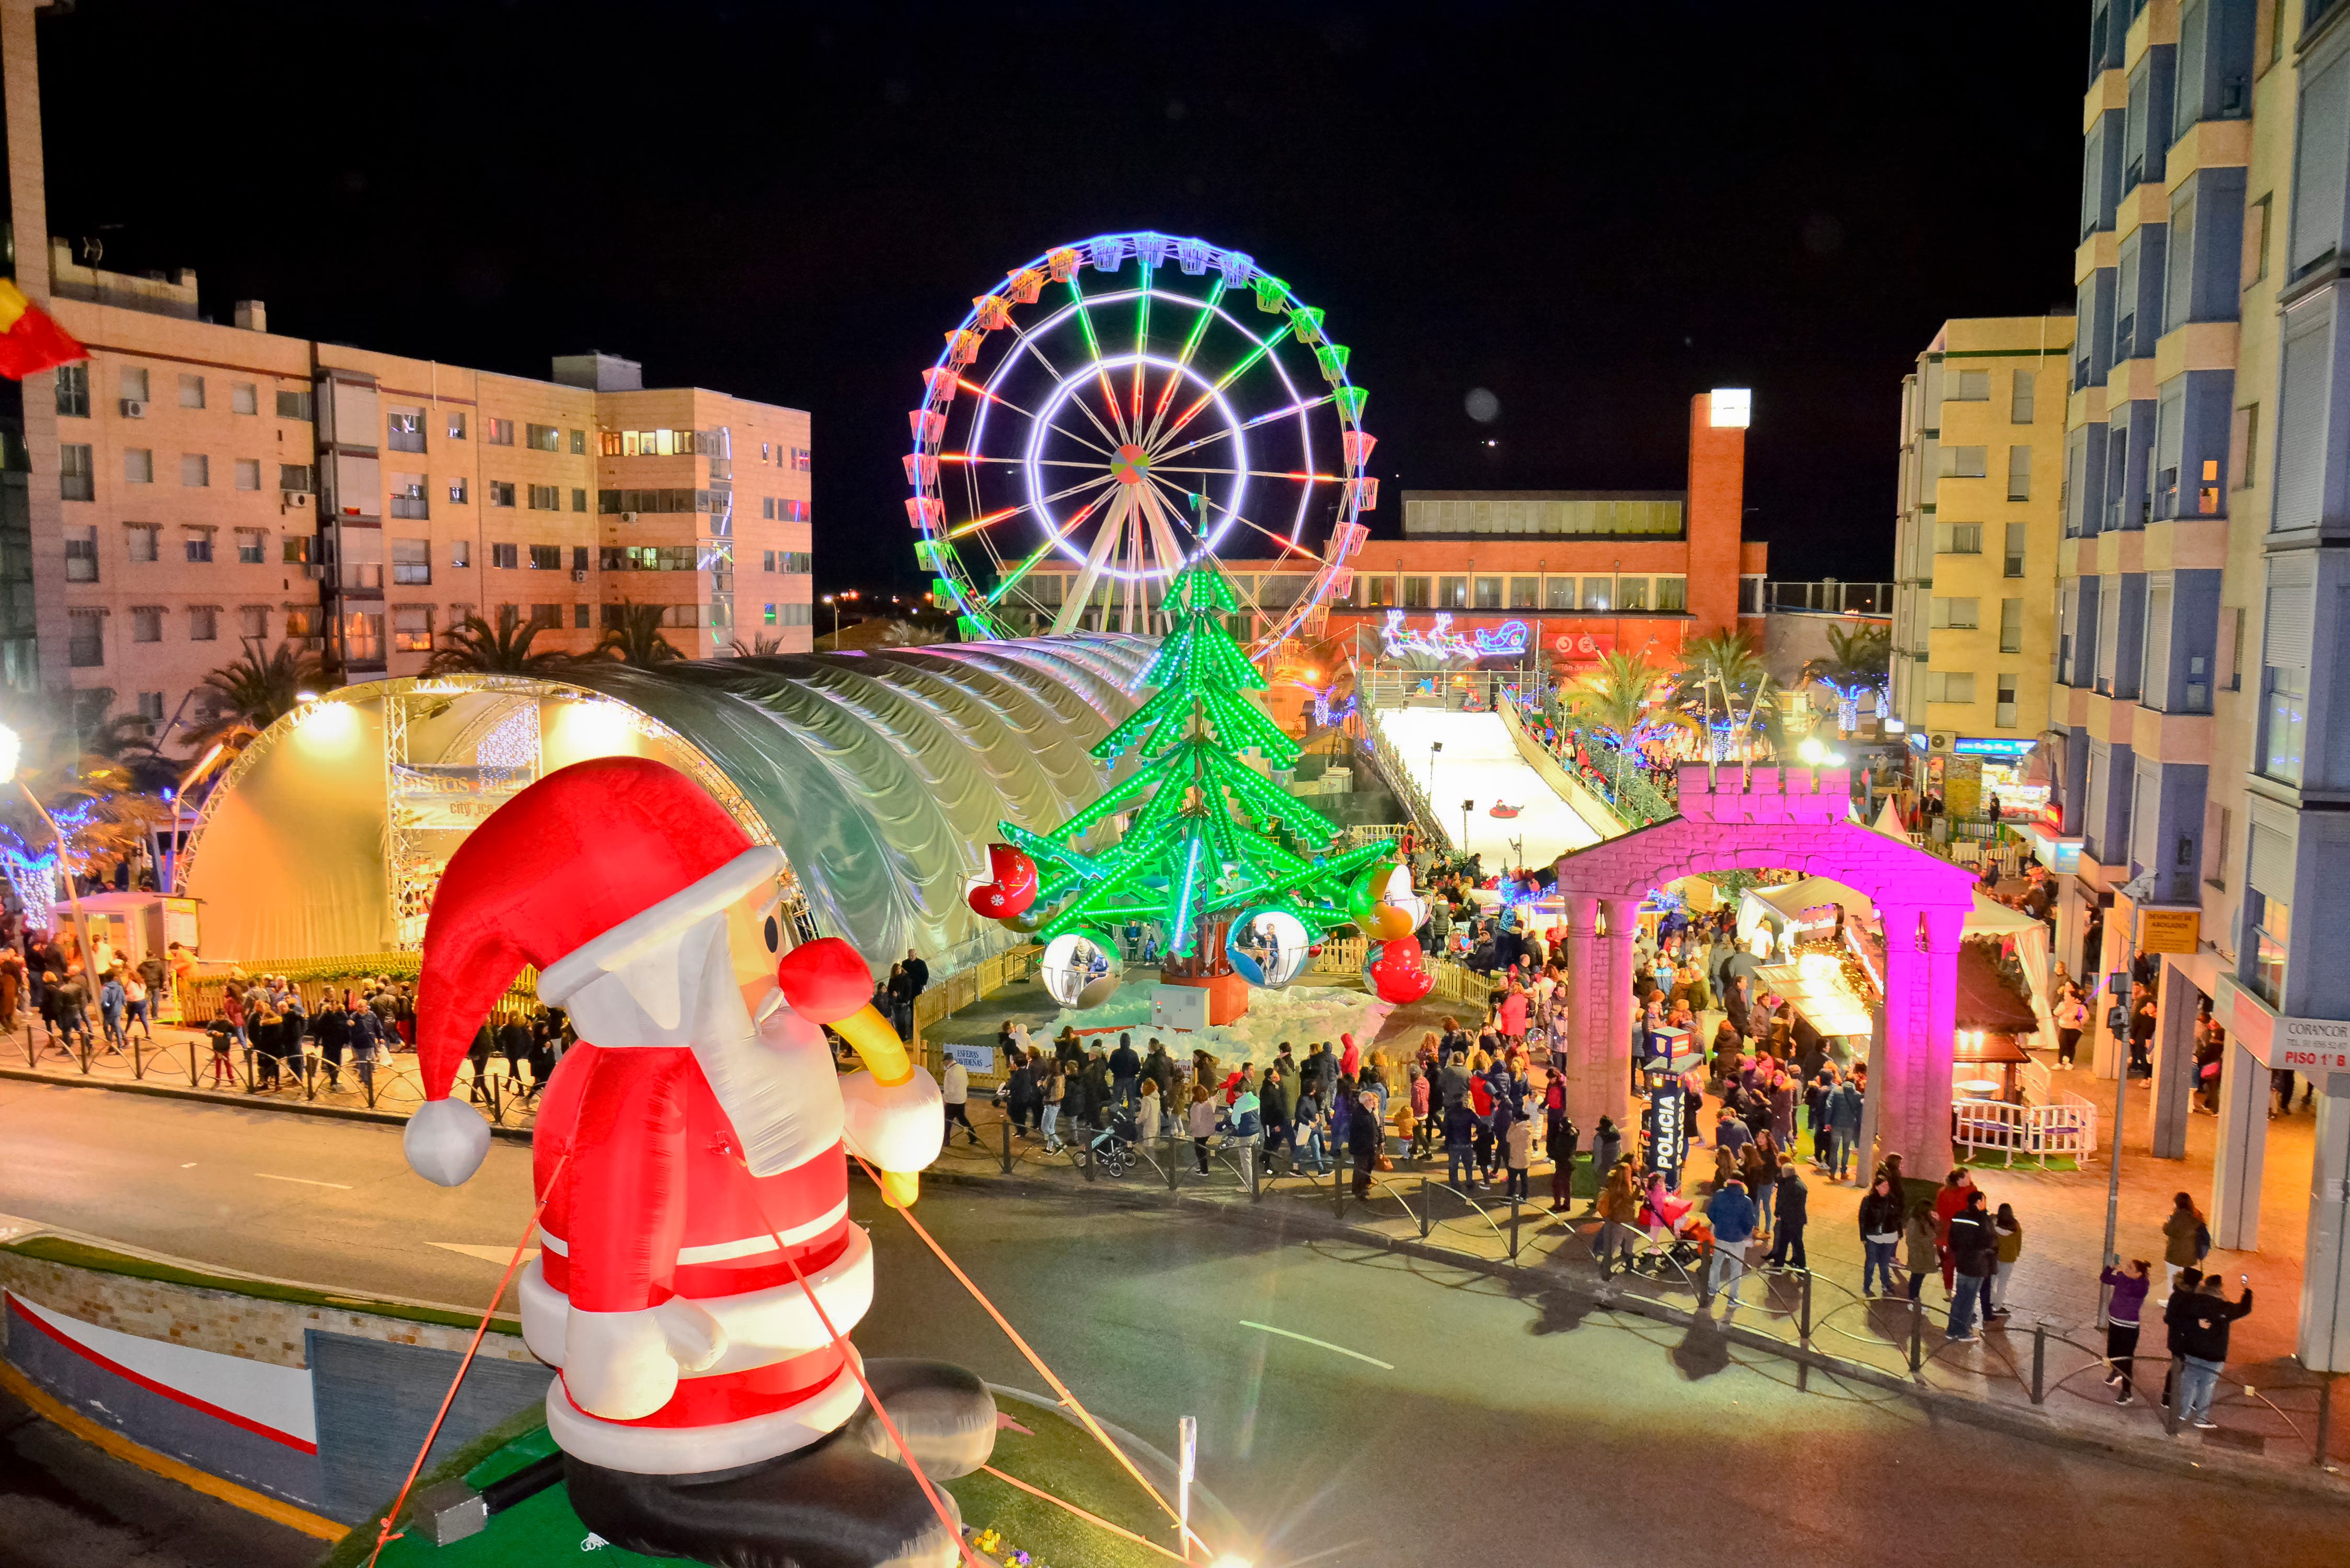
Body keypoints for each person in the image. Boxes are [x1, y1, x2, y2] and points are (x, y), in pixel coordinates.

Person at [2175, 1273, 2255, 1430]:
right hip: (2214, 1354)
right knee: (2207, 1385)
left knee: (2189, 1382)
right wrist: (2247, 1292)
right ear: (2220, 1287)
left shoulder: (2193, 1301)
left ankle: (2182, 1412)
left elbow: (2179, 1314)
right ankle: (2201, 1418)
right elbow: (2245, 1309)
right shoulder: (2224, 1307)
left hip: (2192, 1350)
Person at [1945, 1189, 1998, 1342]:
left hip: (1962, 1264)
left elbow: (1953, 1241)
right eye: (1984, 1201)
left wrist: (1961, 1253)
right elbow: (1989, 1240)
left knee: (1960, 1297)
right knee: (1969, 1300)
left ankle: (1951, 1330)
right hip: (1977, 1266)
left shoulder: (1959, 1216)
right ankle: (1963, 1332)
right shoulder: (1981, 1219)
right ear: (1979, 1203)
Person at [2100, 1258, 2152, 1404]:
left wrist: (2122, 1277)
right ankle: (2116, 1371)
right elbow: (2105, 1278)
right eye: (2127, 1266)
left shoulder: (2142, 1286)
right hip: (2114, 1322)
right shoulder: (2123, 1278)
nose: (2126, 1269)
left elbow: (2129, 1289)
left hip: (2129, 1327)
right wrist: (2110, 1268)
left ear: (2139, 1274)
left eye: (2131, 1268)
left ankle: (2127, 1392)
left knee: (2126, 1359)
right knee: (2112, 1354)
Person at [1707, 1175, 1758, 1309]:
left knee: (1716, 1264)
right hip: (1737, 1239)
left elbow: (1711, 1212)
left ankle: (1712, 1289)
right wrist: (1744, 1233)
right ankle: (1732, 1298)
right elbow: (1749, 1221)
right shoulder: (1746, 1201)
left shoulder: (1719, 1195)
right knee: (1736, 1269)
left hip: (1721, 1236)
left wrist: (1719, 1223)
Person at [1858, 1174, 1904, 1296]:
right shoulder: (1869, 1200)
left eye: (1887, 1185)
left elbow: (1898, 1218)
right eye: (1883, 1185)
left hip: (1889, 1236)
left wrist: (1899, 1232)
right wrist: (1863, 1236)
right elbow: (1862, 1219)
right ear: (1877, 1187)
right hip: (1873, 1236)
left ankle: (1886, 1284)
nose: (1886, 1188)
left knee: (1884, 1262)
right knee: (1871, 1262)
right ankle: (1867, 1285)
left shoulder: (1893, 1200)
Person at [1596, 1160, 1641, 1274]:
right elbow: (1630, 1199)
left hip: (1621, 1218)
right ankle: (1605, 1268)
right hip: (1623, 1219)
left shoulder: (1615, 1184)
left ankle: (1629, 1267)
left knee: (1628, 1243)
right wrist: (1639, 1186)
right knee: (1618, 1243)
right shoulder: (1624, 1188)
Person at [2162, 1191, 2209, 1298]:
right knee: (2187, 1280)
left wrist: (2166, 1224)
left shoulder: (2178, 1216)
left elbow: (2169, 1231)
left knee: (2173, 1279)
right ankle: (2187, 1300)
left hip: (2175, 1254)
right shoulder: (2196, 1216)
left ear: (2177, 1203)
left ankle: (2172, 1302)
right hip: (2191, 1255)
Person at [1766, 1156, 1808, 1270]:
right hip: (1799, 1220)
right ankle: (1802, 1267)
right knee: (1798, 1244)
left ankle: (1778, 1267)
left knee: (1783, 1244)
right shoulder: (1801, 1184)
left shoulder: (1787, 1186)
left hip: (1788, 1220)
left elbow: (1784, 1203)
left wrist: (1779, 1214)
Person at [1902, 1201, 1940, 1302]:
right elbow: (1911, 1240)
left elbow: (1937, 1232)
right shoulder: (1914, 1222)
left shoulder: (1927, 1221)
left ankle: (1915, 1297)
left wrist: (1937, 1221)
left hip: (1925, 1254)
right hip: (1918, 1255)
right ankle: (1913, 1299)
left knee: (1920, 1277)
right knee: (1916, 1277)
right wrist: (1926, 1243)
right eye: (1930, 1210)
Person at [1990, 1202, 2022, 1319]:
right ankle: (1998, 1306)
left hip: (1996, 1257)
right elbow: (2019, 1242)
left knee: (1990, 1282)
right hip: (2009, 1258)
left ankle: (1991, 1301)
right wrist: (2016, 1254)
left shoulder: (1994, 1225)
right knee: (2003, 1284)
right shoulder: (2015, 1225)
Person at [1546, 1103, 1580, 1213]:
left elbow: (1558, 1152)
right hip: (1571, 1161)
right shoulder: (1574, 1133)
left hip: (1563, 1163)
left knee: (1557, 1184)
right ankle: (1567, 1204)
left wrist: (1551, 1155)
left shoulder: (1563, 1138)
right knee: (1567, 1184)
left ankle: (1557, 1205)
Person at [1349, 1090, 1383, 1199]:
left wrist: (1380, 1140)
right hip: (1361, 1148)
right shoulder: (1359, 1113)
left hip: (1370, 1147)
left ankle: (1364, 1185)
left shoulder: (1370, 1112)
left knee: (1370, 1165)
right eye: (1371, 1100)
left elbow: (1376, 1129)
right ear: (1365, 1102)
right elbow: (1363, 1131)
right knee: (1361, 1169)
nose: (1374, 1102)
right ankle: (1359, 1190)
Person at [941, 1053, 977, 1146]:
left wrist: (944, 1098)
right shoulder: (962, 1068)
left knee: (947, 1122)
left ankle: (946, 1141)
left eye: (944, 1062)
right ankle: (972, 1135)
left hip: (952, 1101)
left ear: (947, 1061)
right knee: (962, 1119)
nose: (944, 1064)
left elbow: (950, 1090)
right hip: (962, 1099)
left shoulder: (950, 1073)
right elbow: (967, 1082)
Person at [1186, 1083, 1217, 1174]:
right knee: (1202, 1149)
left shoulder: (1196, 1106)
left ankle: (1204, 1171)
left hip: (1200, 1132)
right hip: (1208, 1130)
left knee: (1200, 1151)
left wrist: (1190, 1128)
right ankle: (1203, 1168)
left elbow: (1196, 1122)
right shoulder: (1207, 1102)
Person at [1503, 1110, 1533, 1202]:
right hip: (1526, 1157)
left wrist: (1512, 1126)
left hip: (1516, 1157)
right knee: (1524, 1178)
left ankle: (1509, 1197)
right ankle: (1524, 1196)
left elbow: (1508, 1138)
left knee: (1512, 1179)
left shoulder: (1519, 1129)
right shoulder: (1530, 1127)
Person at [2055, 986, 2087, 1067]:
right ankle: (2060, 1062)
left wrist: (2080, 1022)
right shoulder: (2062, 1005)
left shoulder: (2080, 1007)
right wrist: (2065, 1008)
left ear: (2073, 998)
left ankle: (2070, 1063)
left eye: (2067, 996)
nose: (2065, 998)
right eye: (2065, 996)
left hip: (2075, 1029)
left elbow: (2085, 1017)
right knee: (2062, 1044)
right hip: (2064, 1027)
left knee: (2071, 1045)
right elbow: (2056, 1013)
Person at [1041, 1057, 1067, 1153]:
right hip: (1057, 1104)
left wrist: (1040, 1086)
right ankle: (1049, 1148)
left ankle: (1060, 1144)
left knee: (1045, 1128)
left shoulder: (1053, 1078)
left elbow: (1046, 1092)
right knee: (1051, 1128)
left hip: (1050, 1105)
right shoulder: (1062, 1076)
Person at [1109, 1032, 1140, 1112]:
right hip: (1130, 1079)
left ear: (1120, 1041)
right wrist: (1132, 1074)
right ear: (1129, 1042)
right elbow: (1138, 1068)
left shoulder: (1115, 1053)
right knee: (1131, 1100)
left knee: (1116, 1100)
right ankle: (1131, 1119)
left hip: (1118, 1078)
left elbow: (1111, 1066)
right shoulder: (1133, 1053)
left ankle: (1115, 1117)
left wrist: (1116, 1073)